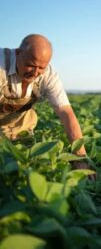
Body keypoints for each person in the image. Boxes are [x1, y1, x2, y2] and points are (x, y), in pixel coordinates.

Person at [0, 34, 91, 172]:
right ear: (18, 53)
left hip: (20, 129)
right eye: (30, 65)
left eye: (41, 67)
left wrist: (79, 156)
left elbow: (65, 112)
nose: (35, 73)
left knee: (28, 167)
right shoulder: (1, 66)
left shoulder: (49, 75)